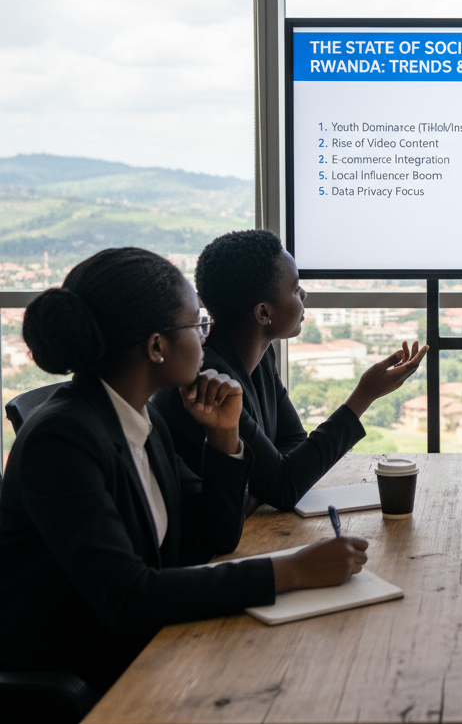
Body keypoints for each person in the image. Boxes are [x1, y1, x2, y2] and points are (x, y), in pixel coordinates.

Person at [0, 247, 369, 696]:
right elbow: (129, 598)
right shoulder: (61, 441)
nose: (206, 335)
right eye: (197, 324)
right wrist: (290, 570)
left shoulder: (141, 421)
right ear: (156, 347)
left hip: (149, 651)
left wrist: (224, 437)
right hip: (88, 683)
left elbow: (211, 536)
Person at [154, 229, 427, 512]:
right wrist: (364, 395)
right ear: (263, 313)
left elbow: (293, 443)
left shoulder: (258, 358)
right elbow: (285, 487)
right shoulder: (208, 380)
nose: (304, 294)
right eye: (296, 289)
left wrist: (262, 488)